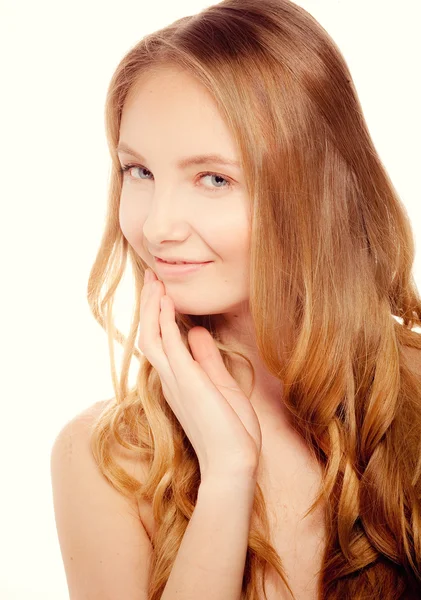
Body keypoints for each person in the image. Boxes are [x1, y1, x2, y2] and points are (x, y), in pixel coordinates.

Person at [50, 0, 421, 598]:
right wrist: (227, 475)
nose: (157, 226)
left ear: (314, 192)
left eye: (214, 179)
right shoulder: (108, 464)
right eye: (138, 171)